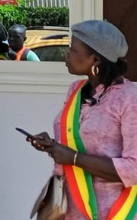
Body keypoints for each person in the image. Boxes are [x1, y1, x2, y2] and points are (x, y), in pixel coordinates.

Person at [28, 20, 137, 220]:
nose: (67, 53)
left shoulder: (129, 98)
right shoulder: (76, 90)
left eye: (73, 49)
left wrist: (73, 158)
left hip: (114, 212)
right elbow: (80, 143)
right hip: (71, 208)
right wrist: (52, 145)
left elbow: (133, 169)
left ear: (95, 59)